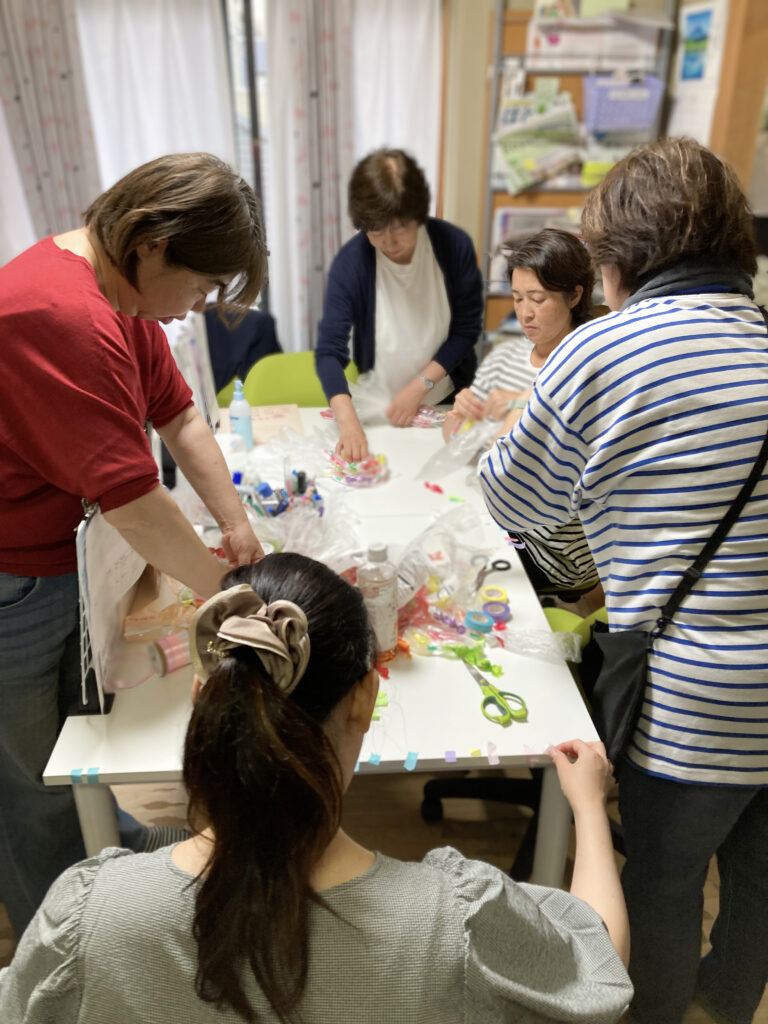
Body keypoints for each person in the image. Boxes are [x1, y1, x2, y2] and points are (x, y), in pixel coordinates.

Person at [0, 551, 632, 1023]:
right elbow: (598, 967)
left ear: (202, 698)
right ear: (365, 699)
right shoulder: (459, 925)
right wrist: (588, 808)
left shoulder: (86, 920)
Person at [478, 137, 768, 1024]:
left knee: (665, 884)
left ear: (615, 265)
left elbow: (508, 499)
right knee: (759, 883)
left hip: (694, 696)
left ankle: (658, 1012)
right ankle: (726, 1004)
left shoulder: (603, 351)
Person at [0, 152, 268, 938]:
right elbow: (134, 504)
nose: (191, 310)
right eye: (198, 287)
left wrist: (237, 523)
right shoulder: (60, 317)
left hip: (61, 558)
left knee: (80, 740)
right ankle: (69, 945)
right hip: (13, 571)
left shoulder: (119, 293)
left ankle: (105, 856)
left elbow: (180, 415)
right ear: (152, 241)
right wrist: (225, 587)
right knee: (31, 775)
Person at [446, 229, 600, 599]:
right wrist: (460, 416)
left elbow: (513, 469)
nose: (525, 313)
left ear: (575, 295)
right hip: (493, 508)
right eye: (517, 299)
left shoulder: (586, 366)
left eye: (538, 299)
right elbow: (455, 439)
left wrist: (519, 403)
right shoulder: (507, 356)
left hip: (551, 549)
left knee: (451, 571)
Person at [315, 148, 483, 461]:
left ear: (418, 215)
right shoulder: (351, 263)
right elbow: (329, 352)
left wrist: (420, 385)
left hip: (446, 403)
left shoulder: (452, 246)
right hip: (381, 410)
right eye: (376, 230)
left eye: (400, 227)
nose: (389, 242)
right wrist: (348, 420)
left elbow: (466, 329)